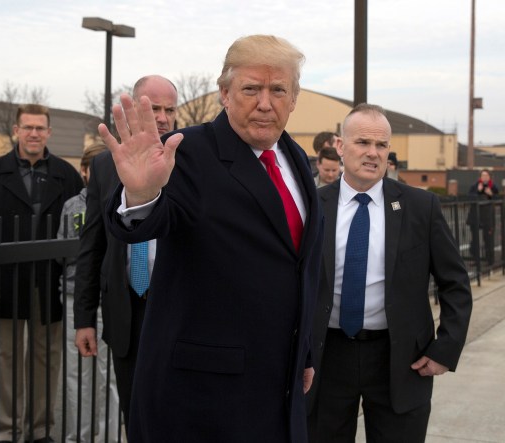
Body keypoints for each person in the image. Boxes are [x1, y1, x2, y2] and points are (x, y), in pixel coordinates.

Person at [97, 35, 323, 442]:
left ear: (294, 98)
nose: (265, 103)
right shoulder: (187, 151)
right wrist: (141, 194)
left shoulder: (296, 159)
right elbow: (140, 224)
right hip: (202, 397)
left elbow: (297, 268)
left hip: (280, 387)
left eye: (278, 90)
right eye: (251, 89)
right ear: (224, 93)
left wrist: (302, 351)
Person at [307, 103, 473, 442]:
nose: (373, 153)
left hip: (400, 360)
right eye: (363, 143)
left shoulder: (420, 207)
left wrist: (445, 348)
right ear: (340, 146)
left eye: (381, 145)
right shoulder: (311, 205)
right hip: (327, 357)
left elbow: (454, 283)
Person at [0, 104, 83, 443]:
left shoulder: (66, 175)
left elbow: (79, 224)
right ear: (16, 130)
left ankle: (40, 430)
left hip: (50, 282)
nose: (34, 133)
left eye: (40, 128)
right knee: (5, 360)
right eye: (28, 127)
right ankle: (8, 431)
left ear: (49, 132)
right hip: (2, 281)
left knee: (46, 358)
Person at [73, 74, 178, 429]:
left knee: (176, 417)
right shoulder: (104, 166)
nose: (161, 117)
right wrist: (84, 318)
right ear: (131, 109)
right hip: (124, 314)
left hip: (177, 311)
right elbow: (92, 245)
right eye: (152, 108)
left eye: (169, 109)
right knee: (135, 416)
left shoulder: (189, 163)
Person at [57, 142, 120, 443]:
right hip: (75, 296)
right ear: (84, 171)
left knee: (111, 376)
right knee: (77, 375)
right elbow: (67, 251)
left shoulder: (122, 199)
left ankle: (109, 436)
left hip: (111, 297)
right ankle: (78, 436)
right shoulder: (72, 206)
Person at [467, 169, 499, 265]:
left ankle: (490, 260)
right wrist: (478, 191)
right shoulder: (475, 186)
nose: (484, 177)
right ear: (480, 177)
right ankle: (475, 260)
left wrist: (491, 194)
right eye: (482, 175)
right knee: (475, 240)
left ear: (490, 177)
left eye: (486, 175)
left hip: (488, 217)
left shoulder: (493, 187)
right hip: (476, 216)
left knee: (488, 239)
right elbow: (469, 197)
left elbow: (498, 198)